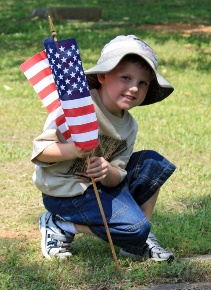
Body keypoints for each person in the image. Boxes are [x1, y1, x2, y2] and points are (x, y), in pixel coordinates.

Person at [31, 34, 176, 261]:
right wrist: (73, 150)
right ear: (102, 76)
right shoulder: (76, 106)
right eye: (125, 77)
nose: (134, 88)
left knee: (153, 163)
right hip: (66, 193)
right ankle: (61, 223)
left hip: (99, 188)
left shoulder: (129, 125)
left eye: (142, 83)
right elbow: (40, 151)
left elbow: (118, 176)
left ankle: (137, 242)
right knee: (135, 228)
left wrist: (108, 171)